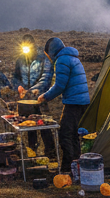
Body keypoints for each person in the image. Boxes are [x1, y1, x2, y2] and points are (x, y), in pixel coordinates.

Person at [35, 36, 90, 174]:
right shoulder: (71, 57)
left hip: (74, 102)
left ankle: (67, 168)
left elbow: (60, 85)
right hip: (81, 101)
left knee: (65, 134)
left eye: (48, 55)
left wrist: (45, 97)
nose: (48, 58)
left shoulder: (62, 60)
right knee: (72, 134)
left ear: (52, 51)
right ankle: (76, 165)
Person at [11, 35, 56, 160]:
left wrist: (34, 90)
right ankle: (32, 152)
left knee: (44, 125)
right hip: (25, 101)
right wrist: (18, 86)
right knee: (30, 126)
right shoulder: (20, 60)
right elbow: (15, 77)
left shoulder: (43, 59)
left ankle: (50, 152)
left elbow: (46, 77)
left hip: (40, 98)